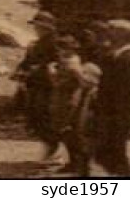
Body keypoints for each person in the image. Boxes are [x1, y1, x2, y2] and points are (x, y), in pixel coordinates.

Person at [47, 34, 100, 174]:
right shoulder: (66, 61)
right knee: (66, 131)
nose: (60, 51)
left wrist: (52, 72)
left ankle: (79, 163)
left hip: (69, 98)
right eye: (59, 48)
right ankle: (74, 162)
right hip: (62, 97)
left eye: (63, 48)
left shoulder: (72, 63)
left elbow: (80, 81)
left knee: (69, 130)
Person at [18, 11, 60, 154]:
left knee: (45, 115)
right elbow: (27, 60)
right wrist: (21, 70)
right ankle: (49, 144)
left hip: (47, 84)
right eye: (36, 26)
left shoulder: (54, 42)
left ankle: (52, 146)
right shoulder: (36, 44)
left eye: (40, 26)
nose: (37, 29)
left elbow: (57, 62)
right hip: (35, 84)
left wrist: (39, 68)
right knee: (34, 115)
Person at [94, 20, 130, 176]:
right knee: (111, 136)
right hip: (109, 103)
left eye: (113, 29)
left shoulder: (127, 55)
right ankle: (116, 168)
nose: (109, 32)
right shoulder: (112, 52)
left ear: (123, 33)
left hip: (123, 103)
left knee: (119, 136)